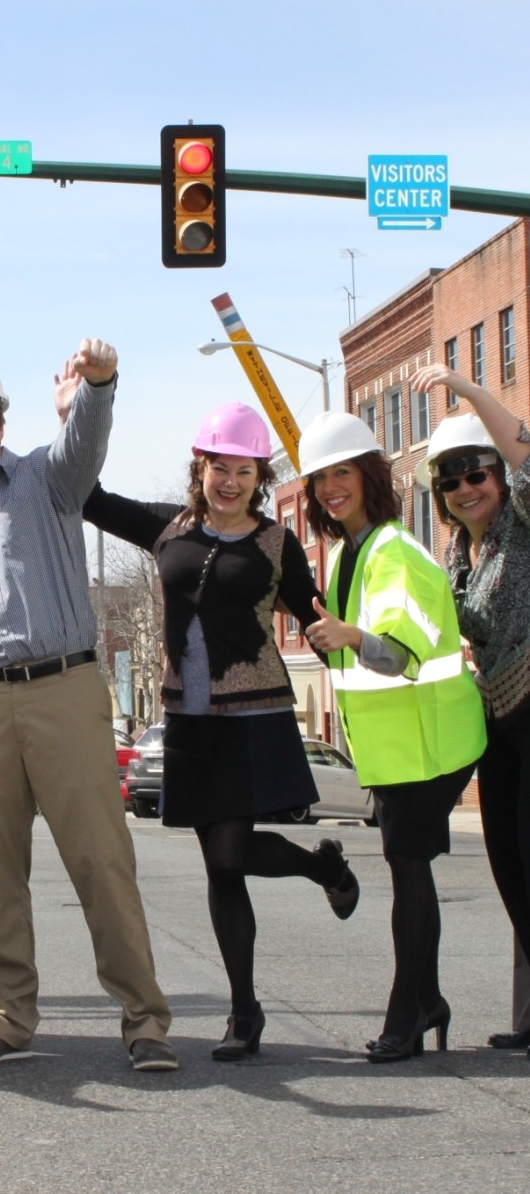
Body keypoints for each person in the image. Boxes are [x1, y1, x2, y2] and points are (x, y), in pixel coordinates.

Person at [0, 341, 177, 1072]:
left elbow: (85, 441)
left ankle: (145, 1021)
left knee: (100, 859)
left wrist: (99, 385)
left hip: (64, 689)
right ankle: (4, 1017)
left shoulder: (44, 479)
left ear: (0, 421)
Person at [82, 401, 360, 1062]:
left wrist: (358, 653)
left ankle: (320, 868)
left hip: (255, 716)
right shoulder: (166, 529)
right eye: (218, 468)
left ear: (259, 476)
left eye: (244, 471)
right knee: (220, 864)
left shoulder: (275, 542)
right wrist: (82, 412)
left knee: (230, 855)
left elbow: (317, 618)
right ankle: (245, 1012)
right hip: (188, 722)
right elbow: (87, 497)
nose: (230, 482)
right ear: (199, 468)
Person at [298, 408, 485, 1063]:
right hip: (399, 750)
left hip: (431, 743)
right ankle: (424, 1002)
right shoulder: (353, 551)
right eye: (320, 478)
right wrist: (338, 637)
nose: (328, 488)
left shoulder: (393, 552)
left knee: (410, 874)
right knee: (407, 874)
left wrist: (351, 636)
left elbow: (398, 655)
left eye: (341, 472)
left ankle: (409, 1012)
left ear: (371, 475)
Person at [411, 362, 530, 1054]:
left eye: (475, 473)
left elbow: (524, 451)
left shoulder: (522, 519)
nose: (464, 488)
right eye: (449, 480)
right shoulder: (456, 553)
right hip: (495, 721)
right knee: (509, 867)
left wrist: (465, 389)